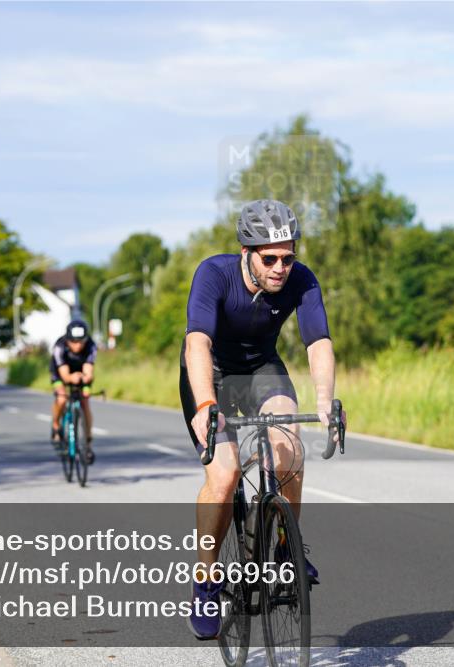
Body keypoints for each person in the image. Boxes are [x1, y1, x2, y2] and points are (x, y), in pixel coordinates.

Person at [180, 199, 345, 639]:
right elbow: (197, 343)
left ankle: (286, 549)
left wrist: (325, 401)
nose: (280, 268)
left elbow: (318, 343)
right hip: (212, 372)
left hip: (260, 369)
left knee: (289, 445)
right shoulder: (214, 274)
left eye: (287, 258)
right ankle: (206, 580)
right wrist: (205, 405)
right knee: (225, 475)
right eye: (269, 259)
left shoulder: (302, 279)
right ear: (246, 252)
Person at [50, 319, 97, 463]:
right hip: (60, 372)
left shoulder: (91, 345)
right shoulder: (59, 346)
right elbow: (65, 375)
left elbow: (89, 369)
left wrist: (86, 379)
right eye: (74, 342)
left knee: (85, 401)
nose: (78, 345)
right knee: (62, 398)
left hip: (80, 371)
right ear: (68, 340)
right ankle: (56, 425)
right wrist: (71, 377)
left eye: (81, 342)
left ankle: (88, 443)